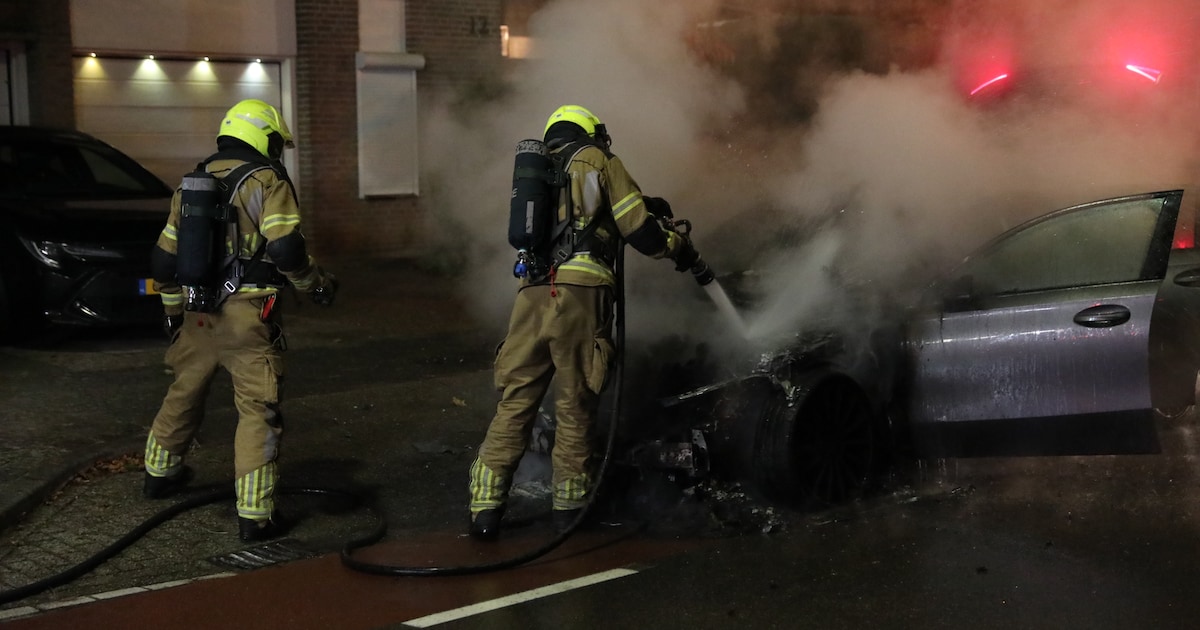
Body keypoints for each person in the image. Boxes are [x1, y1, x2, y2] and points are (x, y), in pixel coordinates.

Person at [467, 104, 702, 540]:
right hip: (580, 293)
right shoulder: (599, 160)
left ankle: (484, 509)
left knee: (516, 402)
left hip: (532, 293)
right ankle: (568, 511)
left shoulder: (540, 170)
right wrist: (679, 247)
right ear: (593, 132)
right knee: (575, 403)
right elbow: (642, 234)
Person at [142, 99, 339, 542]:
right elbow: (286, 250)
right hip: (248, 316)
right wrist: (315, 285)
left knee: (183, 392)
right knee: (257, 408)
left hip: (196, 315)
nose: (278, 150)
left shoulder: (192, 183)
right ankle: (255, 516)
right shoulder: (268, 180)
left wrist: (173, 315)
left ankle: (159, 474)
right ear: (264, 137)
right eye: (277, 142)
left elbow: (162, 262)